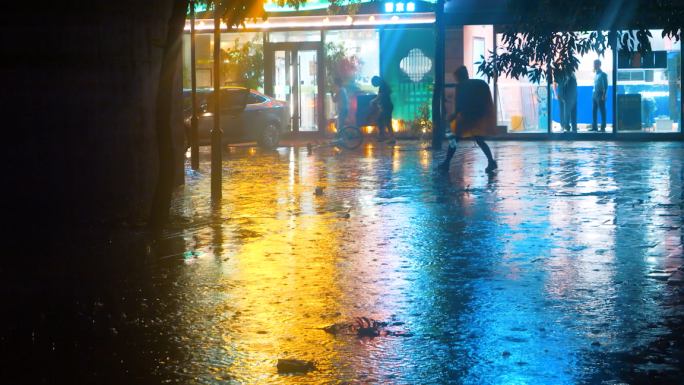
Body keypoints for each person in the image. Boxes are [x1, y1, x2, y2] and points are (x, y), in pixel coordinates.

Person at [434, 66, 498, 172]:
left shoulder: (460, 86)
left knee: (454, 140)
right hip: (476, 117)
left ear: (458, 76)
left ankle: (446, 163)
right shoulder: (478, 84)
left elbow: (459, 103)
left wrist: (453, 115)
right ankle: (491, 161)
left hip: (464, 118)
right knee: (479, 140)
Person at [370, 76, 396, 144]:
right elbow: (389, 92)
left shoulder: (382, 86)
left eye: (374, 83)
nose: (374, 85)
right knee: (380, 120)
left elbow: (379, 97)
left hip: (386, 107)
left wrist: (372, 101)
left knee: (388, 122)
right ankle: (381, 137)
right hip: (387, 106)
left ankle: (392, 139)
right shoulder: (384, 85)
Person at [590, 59, 608, 132]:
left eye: (595, 64)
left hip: (600, 94)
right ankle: (594, 127)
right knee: (594, 111)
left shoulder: (603, 74)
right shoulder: (596, 74)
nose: (594, 66)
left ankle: (603, 127)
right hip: (595, 94)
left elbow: (605, 86)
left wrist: (604, 94)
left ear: (599, 65)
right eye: (594, 64)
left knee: (602, 110)